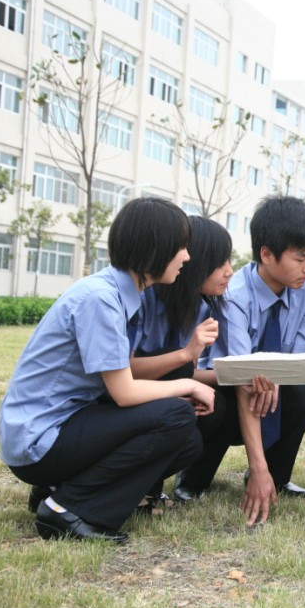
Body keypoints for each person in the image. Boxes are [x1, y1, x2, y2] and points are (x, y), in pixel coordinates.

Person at [0, 197, 215, 543]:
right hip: (40, 438)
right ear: (155, 248)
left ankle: (54, 490)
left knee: (186, 442)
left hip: (65, 422)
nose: (187, 257)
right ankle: (67, 509)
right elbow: (124, 392)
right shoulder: (100, 299)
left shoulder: (119, 293)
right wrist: (190, 387)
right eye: (181, 247)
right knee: (175, 415)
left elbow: (124, 373)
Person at [181, 196, 305, 526]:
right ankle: (194, 478)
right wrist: (263, 377)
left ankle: (276, 476)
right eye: (300, 258)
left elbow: (299, 361)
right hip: (229, 386)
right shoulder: (232, 294)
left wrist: (275, 378)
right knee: (220, 400)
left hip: (273, 386)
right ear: (267, 254)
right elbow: (240, 373)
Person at [130, 216, 234, 504]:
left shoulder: (199, 306)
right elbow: (123, 371)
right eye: (220, 262)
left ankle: (168, 484)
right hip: (122, 397)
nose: (229, 271)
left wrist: (233, 376)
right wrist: (187, 354)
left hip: (160, 392)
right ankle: (143, 489)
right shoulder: (143, 299)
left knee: (216, 403)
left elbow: (185, 373)